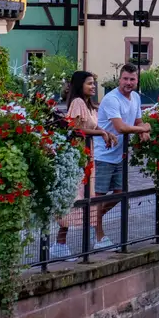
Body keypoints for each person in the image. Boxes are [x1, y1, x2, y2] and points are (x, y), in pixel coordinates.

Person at [49, 71, 118, 259]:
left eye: (94, 83)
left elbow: (93, 126)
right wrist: (102, 134)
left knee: (87, 196)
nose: (93, 86)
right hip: (77, 157)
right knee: (75, 198)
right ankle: (60, 244)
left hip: (87, 156)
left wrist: (105, 132)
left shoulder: (88, 105)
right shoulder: (78, 103)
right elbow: (76, 129)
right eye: (89, 83)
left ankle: (93, 238)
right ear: (80, 85)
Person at [94, 64, 151, 249]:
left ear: (137, 81)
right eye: (125, 79)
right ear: (119, 79)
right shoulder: (112, 99)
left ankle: (92, 218)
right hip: (103, 154)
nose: (128, 82)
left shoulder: (136, 97)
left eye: (132, 79)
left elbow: (138, 120)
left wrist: (143, 129)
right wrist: (142, 129)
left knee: (120, 193)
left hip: (119, 154)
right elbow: (120, 128)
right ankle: (98, 237)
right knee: (99, 196)